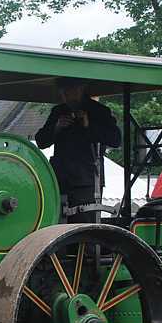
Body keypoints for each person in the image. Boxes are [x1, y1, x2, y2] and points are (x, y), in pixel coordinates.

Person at [35, 77, 121, 223]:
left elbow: (115, 139)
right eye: (63, 93)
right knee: (57, 221)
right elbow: (41, 141)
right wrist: (56, 128)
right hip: (60, 178)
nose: (65, 97)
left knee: (84, 222)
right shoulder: (58, 111)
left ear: (80, 90)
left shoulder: (99, 111)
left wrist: (88, 126)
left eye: (68, 92)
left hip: (87, 180)